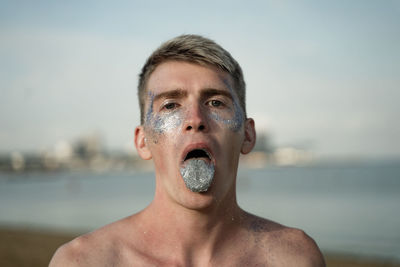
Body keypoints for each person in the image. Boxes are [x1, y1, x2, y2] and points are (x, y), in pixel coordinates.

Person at [50, 34, 325, 266]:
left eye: (216, 102)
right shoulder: (83, 261)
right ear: (143, 141)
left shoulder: (294, 258)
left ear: (248, 135)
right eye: (170, 105)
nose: (195, 119)